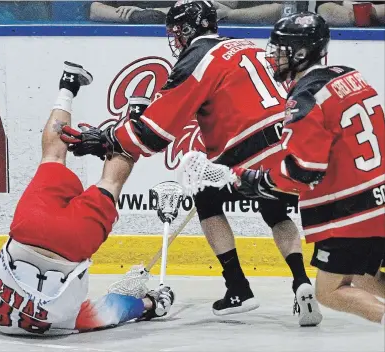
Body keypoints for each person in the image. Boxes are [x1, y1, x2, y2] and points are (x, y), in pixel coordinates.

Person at [61, 1, 322, 326]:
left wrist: (105, 140)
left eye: (176, 32)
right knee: (274, 212)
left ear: (186, 31)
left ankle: (238, 288)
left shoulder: (197, 60)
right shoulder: (247, 47)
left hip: (247, 150)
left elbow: (154, 134)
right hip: (285, 144)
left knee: (206, 199)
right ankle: (301, 283)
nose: (175, 40)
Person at [0, 61, 174, 336]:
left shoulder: (62, 321)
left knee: (110, 182)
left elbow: (112, 309)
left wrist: (151, 304)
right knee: (53, 157)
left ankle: (136, 117)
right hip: (29, 228)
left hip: (72, 243)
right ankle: (68, 85)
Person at [232, 12, 385, 324]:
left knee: (330, 291)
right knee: (366, 277)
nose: (273, 56)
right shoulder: (350, 75)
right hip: (379, 197)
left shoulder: (305, 96)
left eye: (279, 49)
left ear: (300, 54)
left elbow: (304, 171)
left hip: (352, 212)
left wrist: (258, 182)